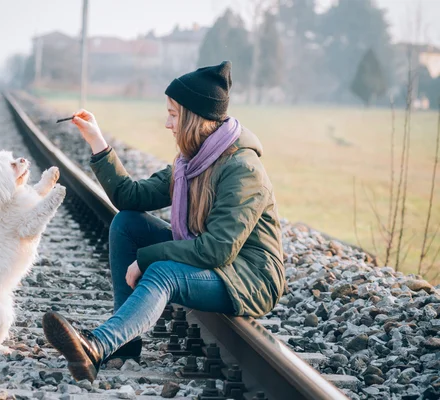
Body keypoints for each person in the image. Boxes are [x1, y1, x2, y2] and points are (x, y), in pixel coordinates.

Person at [42, 61, 285, 382]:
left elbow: (216, 251)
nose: (167, 124)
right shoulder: (192, 161)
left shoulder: (242, 169)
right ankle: (124, 343)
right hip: (219, 262)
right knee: (126, 223)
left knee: (161, 270)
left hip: (250, 277)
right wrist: (97, 141)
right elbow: (131, 197)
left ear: (193, 119)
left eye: (173, 115)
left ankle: (99, 345)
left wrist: (145, 259)